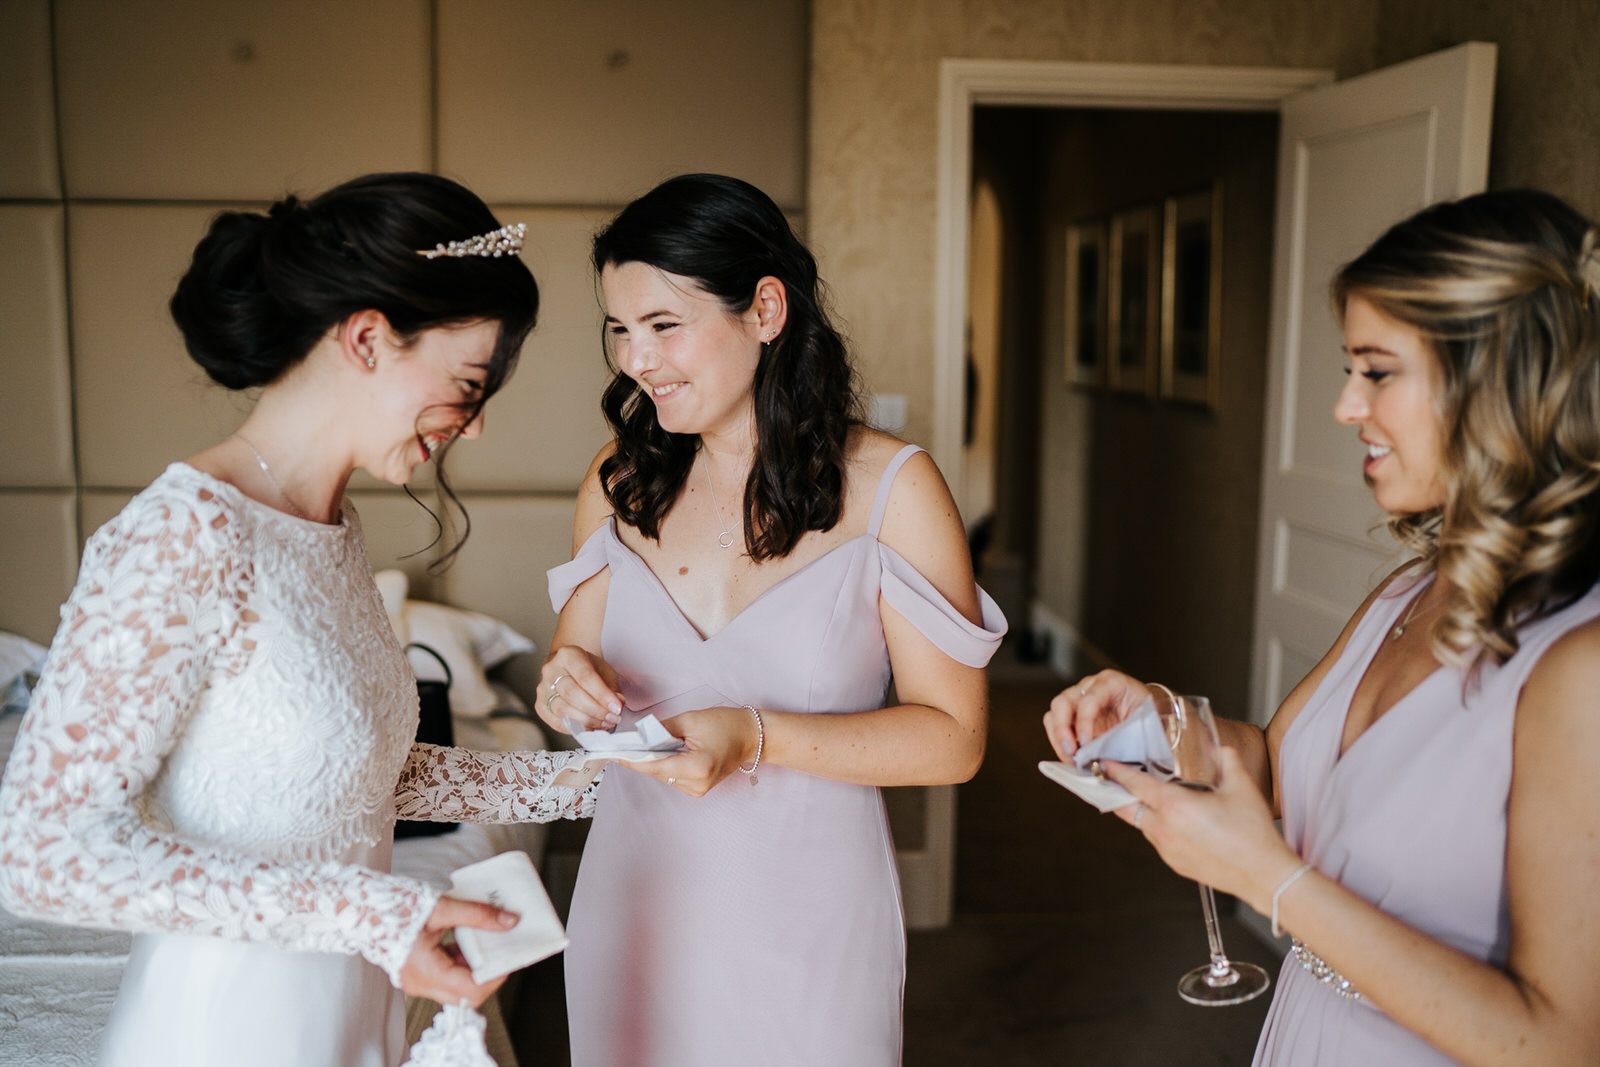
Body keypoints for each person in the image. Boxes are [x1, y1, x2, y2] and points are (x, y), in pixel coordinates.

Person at [0, 172, 602, 1067]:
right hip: (226, 1028)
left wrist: (596, 784)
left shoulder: (332, 527)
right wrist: (378, 912)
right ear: (367, 338)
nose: (473, 428)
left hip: (348, 1009)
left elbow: (353, 774)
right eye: (469, 383)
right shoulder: (184, 533)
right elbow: (44, 850)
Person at [1044, 189, 1600, 1066]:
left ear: (1500, 376)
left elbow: (1564, 1041)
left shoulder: (1581, 665)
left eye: (1377, 372)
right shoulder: (1408, 591)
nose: (1346, 406)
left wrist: (1267, 878)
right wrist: (1157, 719)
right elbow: (1275, 766)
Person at [536, 173, 1008, 1066]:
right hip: (635, 899)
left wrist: (753, 735)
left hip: (808, 916)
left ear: (764, 309)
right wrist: (563, 683)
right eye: (620, 330)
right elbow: (574, 665)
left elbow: (955, 741)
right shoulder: (617, 480)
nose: (636, 360)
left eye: (664, 326)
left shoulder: (893, 490)